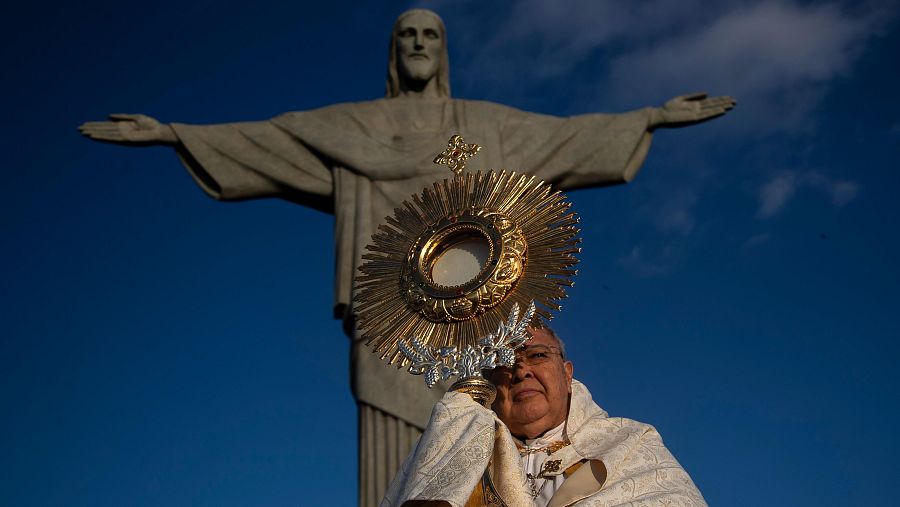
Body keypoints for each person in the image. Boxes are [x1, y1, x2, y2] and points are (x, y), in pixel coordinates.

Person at [78, 9, 732, 506]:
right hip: (394, 325)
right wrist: (173, 134)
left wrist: (649, 115)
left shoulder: (487, 128)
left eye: (430, 36)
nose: (419, 45)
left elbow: (567, 138)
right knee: (407, 464)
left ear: (443, 51)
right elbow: (272, 141)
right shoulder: (354, 127)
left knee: (508, 430)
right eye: (407, 36)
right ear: (395, 51)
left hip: (483, 328)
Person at [382, 326, 706, 507]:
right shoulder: (453, 455)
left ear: (567, 375)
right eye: (504, 364)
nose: (521, 370)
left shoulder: (630, 446)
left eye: (537, 356)